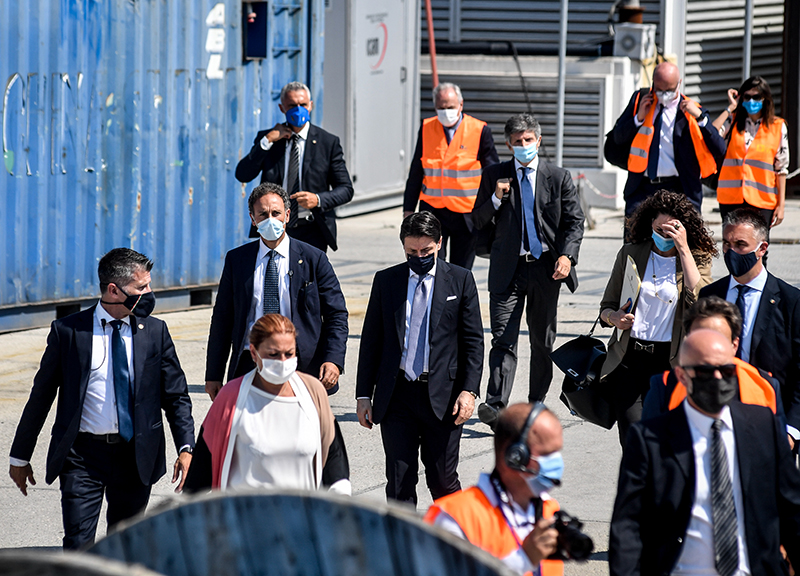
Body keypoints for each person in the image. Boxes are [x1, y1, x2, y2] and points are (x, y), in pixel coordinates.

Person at [8, 248, 195, 549]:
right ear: (114, 290)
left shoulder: (155, 332)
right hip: (82, 457)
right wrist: (20, 455)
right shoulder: (69, 332)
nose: (149, 293)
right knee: (78, 546)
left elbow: (175, 396)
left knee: (125, 546)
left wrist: (186, 447)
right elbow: (41, 395)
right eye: (141, 287)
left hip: (135, 456)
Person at [609, 329, 800, 576]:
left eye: (727, 370)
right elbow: (628, 525)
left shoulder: (765, 426)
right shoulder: (649, 439)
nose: (719, 378)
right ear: (682, 375)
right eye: (706, 371)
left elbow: (791, 510)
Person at [355, 212, 484, 506]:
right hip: (397, 394)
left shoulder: (460, 280)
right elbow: (371, 341)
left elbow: (473, 341)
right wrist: (364, 394)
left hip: (443, 396)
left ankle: (454, 541)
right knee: (399, 480)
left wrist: (469, 390)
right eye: (411, 251)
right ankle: (402, 547)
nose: (419, 257)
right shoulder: (387, 281)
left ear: (439, 244)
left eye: (425, 251)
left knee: (442, 479)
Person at [471, 113, 584, 429]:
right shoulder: (495, 175)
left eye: (528, 140)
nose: (523, 146)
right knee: (503, 339)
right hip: (508, 270)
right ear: (508, 144)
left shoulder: (558, 177)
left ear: (538, 140)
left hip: (547, 269)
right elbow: (477, 221)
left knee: (541, 342)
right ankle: (495, 406)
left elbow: (575, 222)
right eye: (517, 142)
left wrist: (567, 256)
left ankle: (535, 405)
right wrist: (496, 198)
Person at [205, 182, 348, 399]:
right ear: (253, 219)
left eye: (276, 213)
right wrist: (213, 373)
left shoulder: (313, 258)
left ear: (288, 215)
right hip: (250, 362)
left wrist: (333, 360)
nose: (270, 219)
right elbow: (223, 319)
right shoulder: (238, 260)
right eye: (262, 214)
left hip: (299, 363)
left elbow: (336, 314)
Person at [598, 190, 715, 447]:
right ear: (649, 224)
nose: (664, 236)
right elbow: (605, 308)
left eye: (671, 231)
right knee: (634, 441)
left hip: (668, 362)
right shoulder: (631, 253)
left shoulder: (696, 259)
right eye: (659, 229)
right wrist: (614, 318)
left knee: (665, 440)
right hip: (629, 360)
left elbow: (702, 304)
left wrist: (683, 249)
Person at [185, 314, 348, 492]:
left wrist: (341, 496)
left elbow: (334, 456)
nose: (283, 362)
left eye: (289, 354)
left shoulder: (313, 391)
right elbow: (202, 466)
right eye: (273, 355)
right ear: (254, 353)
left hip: (302, 515)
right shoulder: (231, 397)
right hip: (247, 515)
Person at [424, 403, 566, 576]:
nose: (557, 463)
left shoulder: (549, 511)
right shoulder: (454, 518)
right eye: (547, 454)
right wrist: (523, 560)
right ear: (515, 456)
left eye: (557, 452)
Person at [700, 208, 800, 444]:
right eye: (726, 243)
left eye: (741, 244)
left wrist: (791, 431)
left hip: (772, 425)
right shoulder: (709, 296)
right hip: (717, 423)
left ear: (762, 249)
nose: (731, 251)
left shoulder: (791, 301)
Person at [235, 81, 353, 252]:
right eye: (292, 105)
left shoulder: (327, 143)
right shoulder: (269, 140)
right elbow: (243, 174)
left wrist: (318, 199)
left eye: (303, 104)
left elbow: (346, 189)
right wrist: (267, 141)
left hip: (313, 227)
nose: (298, 110)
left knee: (308, 276)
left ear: (310, 105)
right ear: (282, 108)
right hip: (275, 226)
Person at [605, 62, 726, 217]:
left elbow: (719, 148)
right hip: (642, 187)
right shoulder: (640, 100)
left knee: (680, 239)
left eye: (668, 90)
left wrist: (701, 118)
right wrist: (638, 119)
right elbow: (618, 138)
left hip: (679, 187)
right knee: (635, 240)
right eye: (659, 89)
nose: (663, 95)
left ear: (679, 84)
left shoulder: (691, 110)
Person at [641, 296, 784, 426]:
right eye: (700, 338)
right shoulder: (664, 387)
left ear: (734, 345)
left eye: (718, 339)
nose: (708, 346)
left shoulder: (766, 387)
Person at [402, 82, 499, 269]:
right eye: (441, 108)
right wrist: (408, 210)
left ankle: (458, 299)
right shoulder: (427, 128)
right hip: (433, 211)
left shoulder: (479, 130)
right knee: (433, 265)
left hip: (467, 214)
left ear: (461, 105)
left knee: (461, 269)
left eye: (451, 107)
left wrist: (490, 209)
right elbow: (416, 173)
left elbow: (492, 173)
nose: (446, 111)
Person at [713, 76, 789, 228]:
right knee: (732, 248)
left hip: (762, 201)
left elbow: (781, 169)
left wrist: (781, 206)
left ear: (765, 99)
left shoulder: (777, 126)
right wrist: (730, 107)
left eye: (756, 97)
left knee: (758, 249)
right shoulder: (733, 121)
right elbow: (711, 133)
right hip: (730, 199)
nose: (751, 101)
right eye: (747, 97)